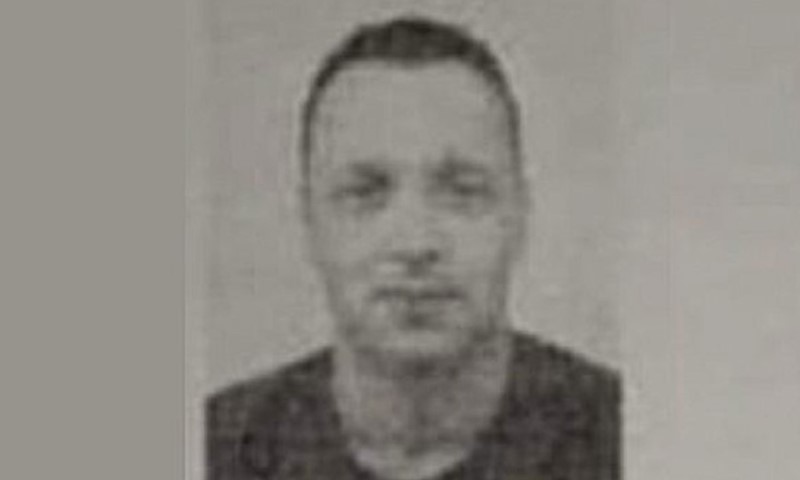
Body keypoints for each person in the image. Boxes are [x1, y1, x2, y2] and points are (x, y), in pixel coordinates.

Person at [207, 15, 620, 480]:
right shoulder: (219, 450)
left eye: (462, 191)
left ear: (520, 215)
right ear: (309, 221)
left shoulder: (627, 439)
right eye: (366, 192)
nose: (416, 243)